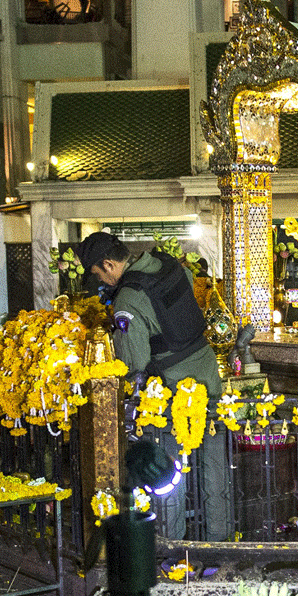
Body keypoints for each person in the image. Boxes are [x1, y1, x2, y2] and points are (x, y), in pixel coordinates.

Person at [76, 231, 235, 541]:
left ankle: (171, 546)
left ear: (108, 264)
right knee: (215, 468)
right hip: (209, 377)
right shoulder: (168, 265)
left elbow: (134, 361)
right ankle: (221, 542)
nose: (102, 282)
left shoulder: (128, 297)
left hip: (173, 393)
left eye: (98, 274)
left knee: (170, 473)